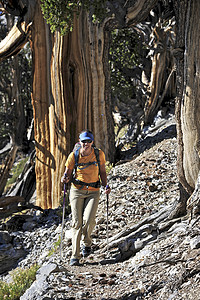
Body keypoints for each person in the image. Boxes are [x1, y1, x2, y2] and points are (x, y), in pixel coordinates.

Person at [61, 130, 111, 266]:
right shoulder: (74, 155)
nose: (86, 144)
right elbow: (67, 173)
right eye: (84, 141)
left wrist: (106, 186)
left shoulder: (98, 154)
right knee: (77, 223)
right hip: (77, 191)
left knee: (89, 220)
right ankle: (75, 256)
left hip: (94, 191)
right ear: (80, 142)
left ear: (92, 142)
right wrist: (64, 178)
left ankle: (87, 243)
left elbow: (102, 172)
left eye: (89, 141)